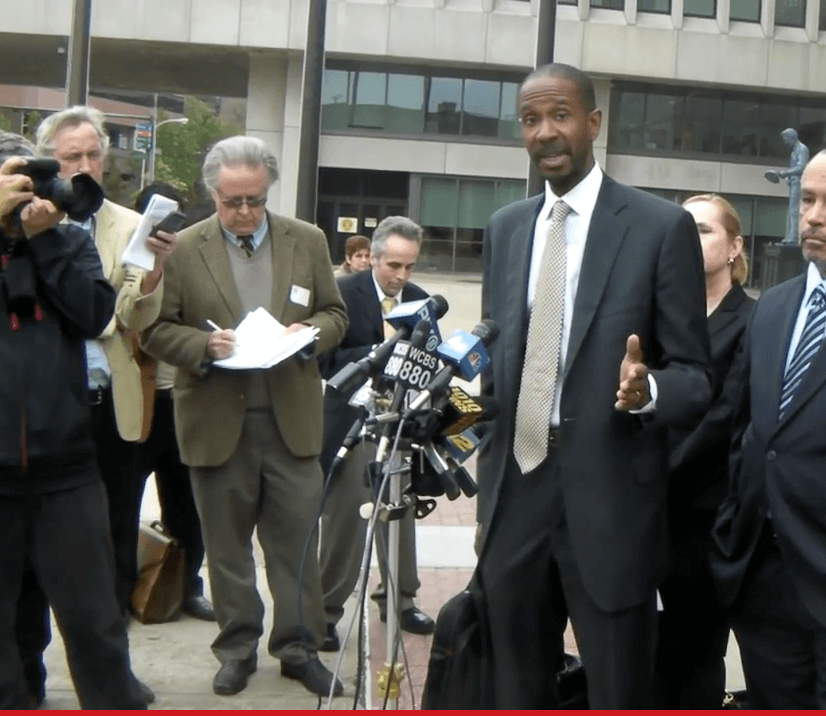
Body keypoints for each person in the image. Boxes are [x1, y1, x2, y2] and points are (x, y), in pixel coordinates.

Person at [475, 63, 712, 709]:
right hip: (513, 498)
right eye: (531, 120)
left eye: (560, 116)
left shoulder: (661, 228)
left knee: (617, 692)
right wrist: (452, 404)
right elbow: (495, 369)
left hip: (610, 506)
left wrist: (648, 392)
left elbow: (697, 380)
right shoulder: (505, 228)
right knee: (514, 691)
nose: (546, 133)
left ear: (593, 124)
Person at [141, 136, 348, 698]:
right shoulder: (181, 248)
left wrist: (308, 334)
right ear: (212, 193)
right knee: (227, 550)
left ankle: (298, 647)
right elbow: (155, 329)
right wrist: (202, 348)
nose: (244, 213)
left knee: (297, 547)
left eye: (255, 200)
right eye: (232, 201)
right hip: (215, 420)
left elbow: (336, 313)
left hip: (291, 423)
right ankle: (236, 649)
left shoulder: (306, 240)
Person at [0, 138, 146, 709]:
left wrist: (44, 242)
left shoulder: (66, 244)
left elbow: (94, 313)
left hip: (66, 471)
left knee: (95, 624)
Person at [34, 107, 177, 621]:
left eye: (93, 154)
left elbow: (132, 311)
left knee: (117, 513)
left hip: (109, 396)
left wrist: (157, 270)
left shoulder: (131, 225)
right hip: (45, 401)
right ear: (47, 164)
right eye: (72, 156)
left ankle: (113, 611)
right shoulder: (24, 224)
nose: (85, 165)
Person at [710, 150, 826, 709]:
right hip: (764, 581)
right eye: (807, 199)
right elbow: (745, 431)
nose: (814, 217)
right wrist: (735, 530)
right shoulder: (775, 307)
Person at [653, 194, 755, 709]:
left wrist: (652, 474)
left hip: (704, 517)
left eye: (702, 230)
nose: (688, 241)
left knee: (695, 653)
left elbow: (724, 419)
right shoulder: (662, 317)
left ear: (735, 247)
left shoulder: (752, 321)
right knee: (648, 651)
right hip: (646, 512)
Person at [318, 216, 435, 652]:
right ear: (373, 256)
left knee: (400, 509)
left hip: (402, 422)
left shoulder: (423, 301)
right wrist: (377, 353)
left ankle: (400, 599)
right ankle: (326, 611)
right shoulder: (342, 294)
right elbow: (323, 360)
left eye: (409, 266)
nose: (401, 276)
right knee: (348, 517)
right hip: (352, 422)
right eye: (393, 265)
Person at [131, 181, 215, 622]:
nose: (169, 230)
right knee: (122, 501)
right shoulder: (125, 259)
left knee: (187, 504)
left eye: (175, 220)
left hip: (181, 400)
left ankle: (188, 586)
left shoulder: (188, 260)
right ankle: (123, 584)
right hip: (136, 404)